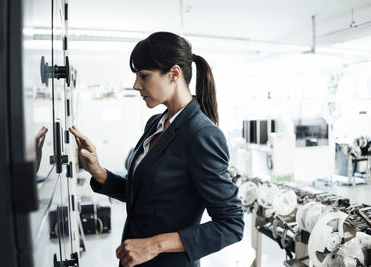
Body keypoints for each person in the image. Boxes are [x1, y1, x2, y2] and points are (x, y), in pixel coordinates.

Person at [69, 31, 244, 267]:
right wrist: (98, 171)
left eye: (143, 76)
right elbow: (145, 193)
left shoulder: (202, 134)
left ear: (174, 74)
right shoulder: (156, 123)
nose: (135, 85)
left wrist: (154, 244)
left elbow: (232, 224)